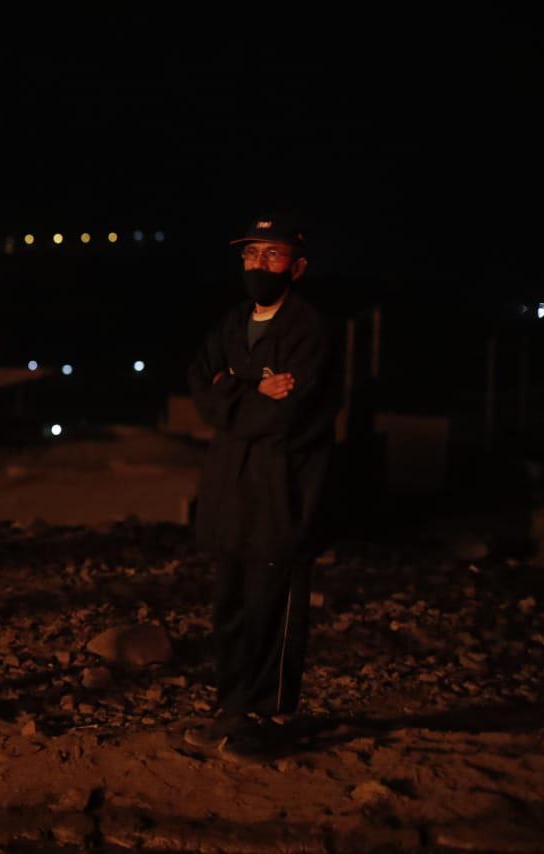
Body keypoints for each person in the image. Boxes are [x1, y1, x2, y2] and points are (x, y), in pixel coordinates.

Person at [184, 213, 339, 758]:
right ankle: (232, 707)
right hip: (232, 489)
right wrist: (250, 390)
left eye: (270, 255)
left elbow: (285, 417)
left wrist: (231, 391)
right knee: (229, 604)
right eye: (250, 255)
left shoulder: (311, 329)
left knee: (272, 608)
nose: (258, 265)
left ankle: (268, 717)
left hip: (284, 492)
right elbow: (199, 385)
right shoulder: (232, 323)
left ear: (296, 265)